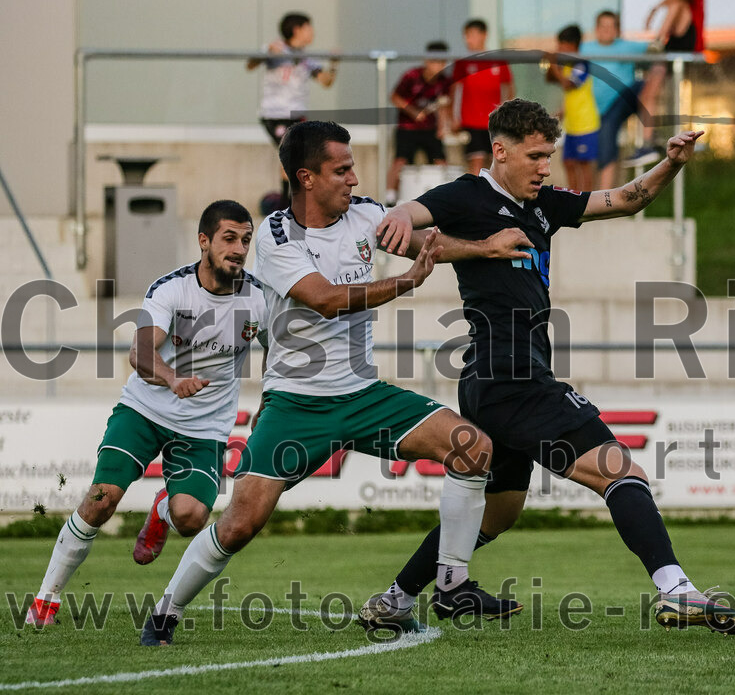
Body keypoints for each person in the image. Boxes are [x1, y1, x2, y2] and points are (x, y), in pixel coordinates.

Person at [363, 98, 735, 633]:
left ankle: (397, 599)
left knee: (499, 513)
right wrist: (474, 245)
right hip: (511, 378)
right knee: (621, 470)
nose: (545, 167)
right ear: (500, 151)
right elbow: (401, 227)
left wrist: (671, 164)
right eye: (535, 156)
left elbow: (625, 199)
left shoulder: (542, 204)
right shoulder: (466, 195)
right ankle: (676, 590)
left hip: (496, 381)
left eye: (549, 156)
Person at [140, 120, 532, 645]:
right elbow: (324, 299)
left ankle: (450, 584)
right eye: (341, 169)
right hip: (297, 406)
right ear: (306, 177)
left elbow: (425, 242)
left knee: (472, 447)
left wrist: (485, 247)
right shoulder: (276, 236)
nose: (354, 178)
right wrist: (405, 281)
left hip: (364, 397)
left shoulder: (366, 214)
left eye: (353, 167)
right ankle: (164, 615)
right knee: (238, 525)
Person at [25, 201, 267, 627]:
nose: (239, 249)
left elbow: (281, 356)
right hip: (145, 410)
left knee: (191, 518)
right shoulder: (171, 289)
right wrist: (173, 379)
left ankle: (162, 510)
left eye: (246, 240)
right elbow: (139, 352)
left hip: (204, 426)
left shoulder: (260, 298)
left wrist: (272, 404)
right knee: (101, 500)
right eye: (229, 238)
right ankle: (46, 600)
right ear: (204, 240)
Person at [246, 12, 339, 208]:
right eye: (308, 27)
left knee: (303, 158)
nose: (312, 32)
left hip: (298, 115)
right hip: (276, 115)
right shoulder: (277, 48)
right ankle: (287, 206)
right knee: (291, 155)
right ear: (297, 29)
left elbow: (326, 81)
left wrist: (334, 64)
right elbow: (250, 64)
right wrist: (267, 52)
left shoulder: (306, 58)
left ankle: (293, 203)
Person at [622, 0, 705, 168]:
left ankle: (648, 143)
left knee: (648, 96)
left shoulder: (680, 6)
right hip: (669, 56)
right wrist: (655, 9)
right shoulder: (679, 6)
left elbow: (672, 9)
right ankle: (652, 138)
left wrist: (657, 40)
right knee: (645, 97)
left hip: (672, 57)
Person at [580, 11, 651, 189]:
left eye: (611, 26)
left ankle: (650, 140)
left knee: (645, 83)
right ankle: (603, 197)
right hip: (600, 109)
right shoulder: (585, 48)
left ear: (617, 30)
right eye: (603, 26)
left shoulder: (627, 46)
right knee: (603, 150)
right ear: (596, 29)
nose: (606, 30)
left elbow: (656, 48)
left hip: (624, 98)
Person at [385, 41, 454, 207]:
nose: (439, 66)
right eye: (435, 61)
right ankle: (390, 198)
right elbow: (394, 97)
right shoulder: (411, 76)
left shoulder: (445, 81)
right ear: (426, 60)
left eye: (442, 62)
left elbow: (444, 105)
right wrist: (412, 111)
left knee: (441, 162)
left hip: (430, 129)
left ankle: (446, 198)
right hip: (407, 128)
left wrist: (443, 127)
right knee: (400, 162)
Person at [451, 19, 515, 176]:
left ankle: (493, 192)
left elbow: (508, 88)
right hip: (471, 121)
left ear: (484, 35)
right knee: (476, 160)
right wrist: (454, 117)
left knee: (495, 162)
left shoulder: (498, 60)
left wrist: (507, 115)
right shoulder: (462, 61)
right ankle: (475, 192)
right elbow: (455, 90)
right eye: (466, 36)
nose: (468, 40)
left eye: (472, 35)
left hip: (494, 122)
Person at [545, 25, 599, 191]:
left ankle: (587, 200)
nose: (559, 48)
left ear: (572, 45)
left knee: (584, 165)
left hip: (586, 124)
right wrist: (553, 64)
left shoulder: (582, 64)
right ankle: (573, 197)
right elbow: (550, 79)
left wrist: (554, 65)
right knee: (568, 162)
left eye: (562, 44)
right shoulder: (566, 64)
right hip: (571, 124)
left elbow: (568, 84)